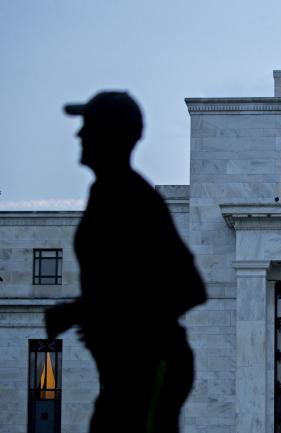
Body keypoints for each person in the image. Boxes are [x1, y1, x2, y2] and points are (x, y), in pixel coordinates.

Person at [44, 91, 207, 433]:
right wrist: (83, 310)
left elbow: (190, 287)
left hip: (150, 363)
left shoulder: (132, 197)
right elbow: (120, 282)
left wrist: (90, 312)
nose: (79, 135)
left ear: (111, 134)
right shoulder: (106, 192)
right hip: (125, 365)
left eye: (88, 127)